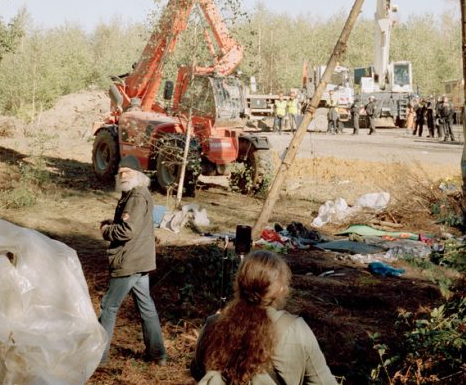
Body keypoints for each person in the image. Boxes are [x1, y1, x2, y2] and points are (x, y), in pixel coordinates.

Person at [191, 250, 337, 384]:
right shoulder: (296, 330)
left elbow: (198, 372)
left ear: (239, 284)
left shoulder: (213, 324)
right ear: (281, 289)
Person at [98, 155, 167, 367]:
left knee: (108, 306)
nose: (123, 175)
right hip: (141, 260)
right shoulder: (136, 194)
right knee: (146, 306)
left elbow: (128, 230)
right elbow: (134, 225)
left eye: (127, 172)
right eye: (120, 172)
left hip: (130, 261)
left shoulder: (136, 196)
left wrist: (107, 230)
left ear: (137, 174)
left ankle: (98, 358)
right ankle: (158, 355)